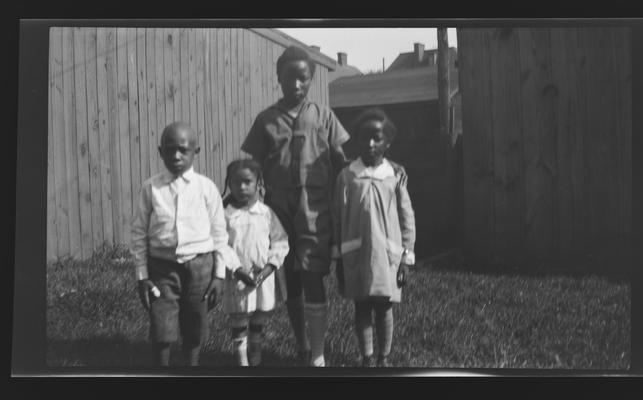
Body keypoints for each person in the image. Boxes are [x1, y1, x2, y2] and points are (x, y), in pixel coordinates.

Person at [241, 45, 350, 367]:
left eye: (303, 79)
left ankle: (317, 353)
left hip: (315, 211)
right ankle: (301, 345)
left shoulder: (323, 116)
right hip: (280, 213)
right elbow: (252, 167)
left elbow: (341, 161)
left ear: (311, 80)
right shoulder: (266, 120)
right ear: (279, 78)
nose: (297, 85)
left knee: (313, 276)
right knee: (291, 278)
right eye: (290, 78)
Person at [130, 121, 239, 366]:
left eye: (183, 150)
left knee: (195, 323)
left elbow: (219, 234)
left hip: (200, 267)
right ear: (160, 152)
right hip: (162, 268)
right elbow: (138, 232)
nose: (176, 155)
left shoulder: (206, 188)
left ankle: (192, 368)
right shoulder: (151, 188)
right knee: (162, 325)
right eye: (169, 150)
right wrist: (142, 275)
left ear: (196, 152)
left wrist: (218, 275)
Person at [332, 108, 416, 368]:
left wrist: (406, 257)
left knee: (383, 306)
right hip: (355, 253)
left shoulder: (394, 177)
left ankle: (384, 357)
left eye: (376, 138)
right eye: (364, 138)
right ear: (356, 141)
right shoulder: (347, 177)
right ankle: (367, 357)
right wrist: (338, 257)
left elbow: (406, 217)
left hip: (387, 256)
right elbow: (337, 217)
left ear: (387, 142)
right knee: (362, 306)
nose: (370, 144)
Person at [219, 159, 289, 367]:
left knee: (259, 315)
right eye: (236, 182)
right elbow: (220, 244)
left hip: (261, 276)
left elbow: (280, 242)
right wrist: (237, 269)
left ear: (259, 183)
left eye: (247, 182)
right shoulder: (226, 215)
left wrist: (268, 268)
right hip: (237, 278)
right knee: (239, 316)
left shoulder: (266, 214)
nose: (242, 187)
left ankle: (255, 355)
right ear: (228, 184)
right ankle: (242, 361)